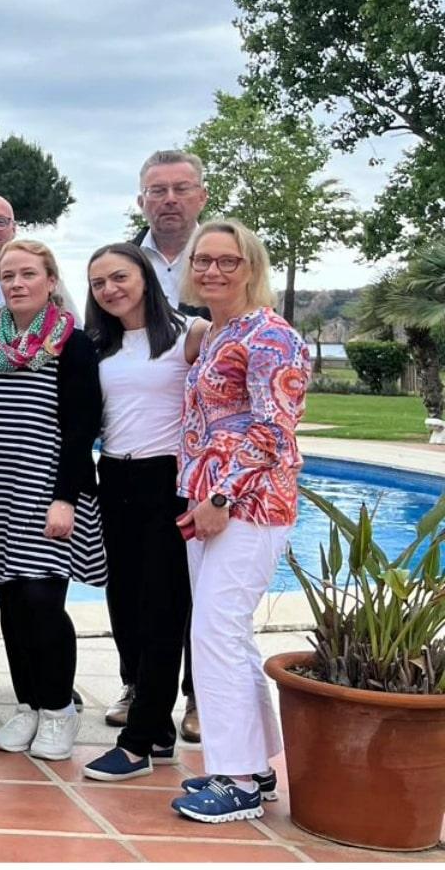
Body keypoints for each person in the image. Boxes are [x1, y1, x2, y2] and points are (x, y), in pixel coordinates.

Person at [0, 239, 106, 764]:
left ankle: (59, 708)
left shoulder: (74, 345)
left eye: (28, 274)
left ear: (51, 281)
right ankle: (29, 705)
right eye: (8, 275)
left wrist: (67, 498)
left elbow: (81, 432)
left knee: (41, 600)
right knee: (9, 599)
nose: (16, 283)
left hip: (45, 491)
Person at [168, 220, 310, 825]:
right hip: (208, 506)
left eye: (228, 261)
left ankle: (235, 781)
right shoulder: (219, 331)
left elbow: (274, 428)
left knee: (216, 632)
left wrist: (222, 497)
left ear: (251, 266)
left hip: (247, 506)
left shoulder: (272, 335)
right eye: (203, 261)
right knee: (226, 634)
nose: (213, 271)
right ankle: (256, 766)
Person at [80, 243, 207, 783]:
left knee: (163, 611)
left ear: (146, 276)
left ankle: (137, 745)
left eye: (119, 276)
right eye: (99, 282)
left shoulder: (189, 335)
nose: (110, 289)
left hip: (169, 482)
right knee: (124, 605)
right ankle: (155, 727)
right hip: (115, 477)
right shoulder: (96, 346)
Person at [132, 150, 210, 310]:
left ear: (202, 197)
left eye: (181, 189)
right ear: (141, 202)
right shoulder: (119, 265)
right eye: (158, 191)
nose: (170, 199)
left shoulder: (233, 261)